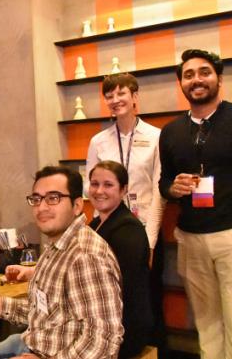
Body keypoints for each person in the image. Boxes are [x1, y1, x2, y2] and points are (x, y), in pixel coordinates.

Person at [159, 49, 232, 359]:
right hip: (191, 240)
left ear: (219, 78)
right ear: (181, 83)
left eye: (204, 72)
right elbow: (164, 182)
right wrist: (173, 189)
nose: (197, 79)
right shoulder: (170, 132)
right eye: (189, 74)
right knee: (207, 329)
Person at [0, 166, 123, 359]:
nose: (42, 207)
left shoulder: (85, 256)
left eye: (54, 198)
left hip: (52, 354)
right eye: (36, 199)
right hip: (36, 341)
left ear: (77, 206)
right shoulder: (57, 246)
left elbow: (103, 341)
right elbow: (44, 313)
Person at [85, 72, 167, 356]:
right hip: (111, 230)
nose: (115, 100)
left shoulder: (156, 137)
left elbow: (159, 191)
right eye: (109, 95)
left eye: (121, 93)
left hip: (145, 230)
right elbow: (92, 188)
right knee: (108, 297)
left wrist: (151, 241)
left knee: (147, 300)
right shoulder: (99, 141)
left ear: (135, 97)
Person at [88, 160, 152, 359]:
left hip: (124, 328)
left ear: (123, 190)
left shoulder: (127, 228)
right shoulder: (96, 222)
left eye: (108, 185)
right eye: (94, 183)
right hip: (101, 321)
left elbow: (122, 286)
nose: (99, 191)